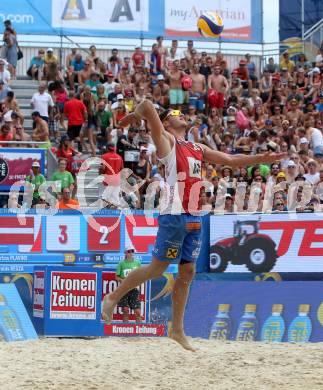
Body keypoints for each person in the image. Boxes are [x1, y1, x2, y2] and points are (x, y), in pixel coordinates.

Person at [102, 100, 284, 351]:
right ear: (166, 122)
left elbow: (230, 160)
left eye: (182, 113)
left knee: (187, 273)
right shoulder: (166, 141)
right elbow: (146, 104)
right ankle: (113, 297)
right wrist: (133, 116)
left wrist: (260, 158)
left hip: (194, 216)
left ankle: (176, 329)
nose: (182, 115)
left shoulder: (196, 146)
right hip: (174, 214)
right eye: (176, 113)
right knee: (157, 269)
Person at [116, 244, 142, 323]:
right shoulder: (121, 263)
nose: (131, 253)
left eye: (132, 251)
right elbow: (116, 277)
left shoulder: (137, 263)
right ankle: (125, 330)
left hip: (134, 289)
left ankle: (139, 330)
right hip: (124, 289)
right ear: (125, 253)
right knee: (125, 310)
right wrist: (123, 281)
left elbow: (140, 275)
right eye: (129, 251)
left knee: (137, 311)